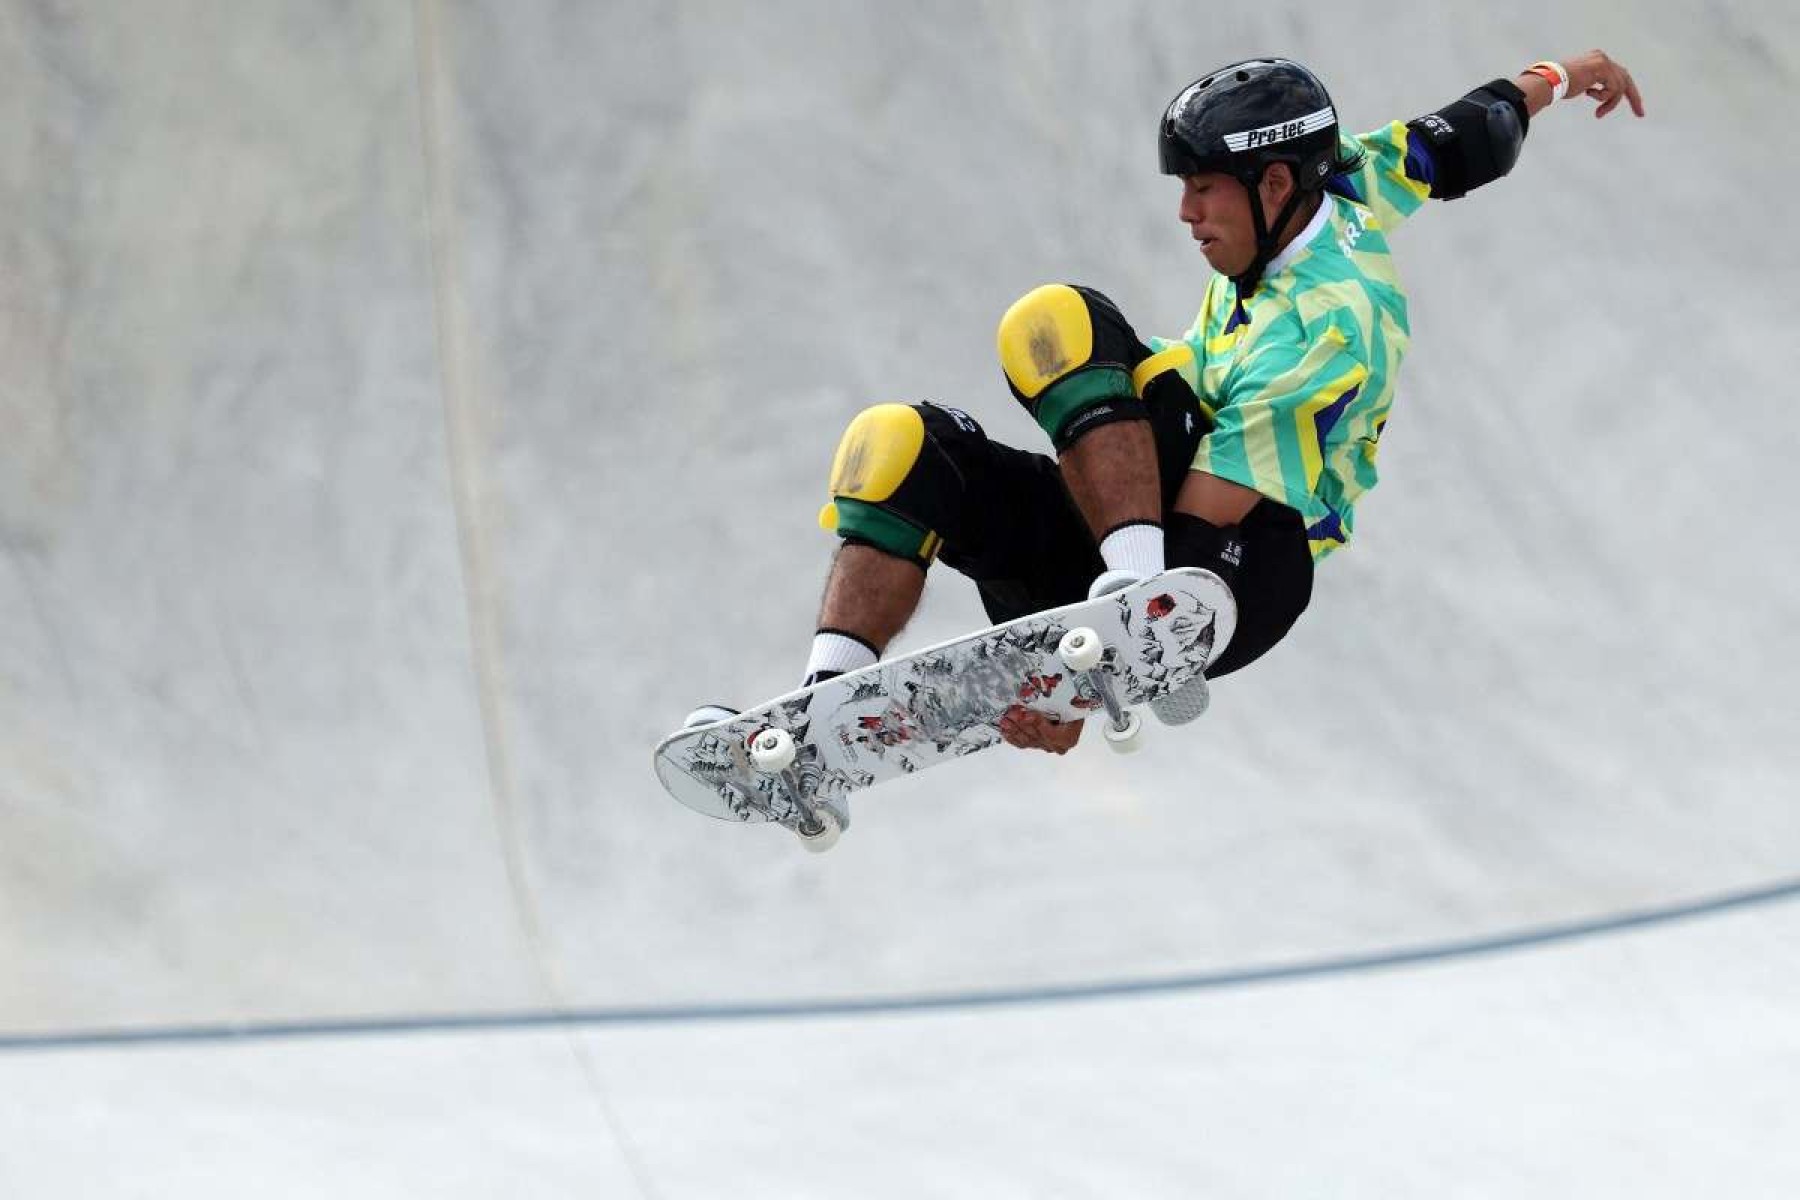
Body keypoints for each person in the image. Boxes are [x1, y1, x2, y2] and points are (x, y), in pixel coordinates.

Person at [694, 51, 1644, 791]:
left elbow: (1203, 525)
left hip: (1241, 564)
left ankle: (1121, 602)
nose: (1185, 215)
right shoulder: (1342, 181)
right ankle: (822, 711)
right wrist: (1566, 74)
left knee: (1058, 325)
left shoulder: (1328, 325)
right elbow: (1465, 136)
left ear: (1274, 186)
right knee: (897, 447)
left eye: (1203, 190)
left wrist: (1081, 669)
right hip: (1142, 531)